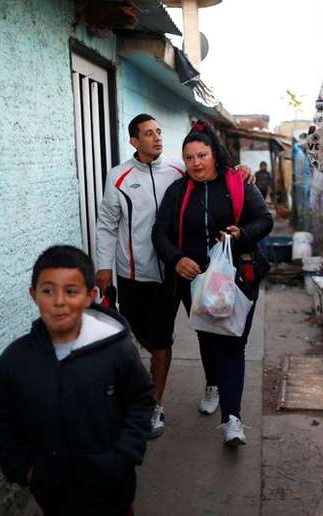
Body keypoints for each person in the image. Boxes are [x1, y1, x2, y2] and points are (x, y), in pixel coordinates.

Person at [95, 114, 255, 438]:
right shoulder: (118, 177)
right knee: (140, 331)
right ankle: (159, 388)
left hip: (178, 273)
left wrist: (240, 171)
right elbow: (106, 225)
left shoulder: (178, 169)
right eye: (148, 134)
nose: (157, 138)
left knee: (192, 333)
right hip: (135, 272)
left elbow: (213, 172)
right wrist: (104, 267)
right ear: (133, 141)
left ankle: (159, 403)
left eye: (158, 132)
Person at [0, 245, 154, 515]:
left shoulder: (115, 350)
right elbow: (2, 420)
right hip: (54, 497)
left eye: (71, 291)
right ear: (33, 295)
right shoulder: (14, 362)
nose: (59, 301)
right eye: (48, 290)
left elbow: (141, 400)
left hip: (114, 492)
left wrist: (124, 456)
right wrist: (25, 470)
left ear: (90, 296)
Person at [152, 121, 273, 447]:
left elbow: (265, 220)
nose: (195, 163)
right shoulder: (177, 191)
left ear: (215, 155)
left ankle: (232, 419)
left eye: (201, 155)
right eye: (189, 157)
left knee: (233, 343)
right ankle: (212, 383)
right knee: (208, 339)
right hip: (198, 283)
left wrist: (241, 234)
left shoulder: (239, 184)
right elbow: (159, 233)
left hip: (238, 279)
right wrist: (176, 259)